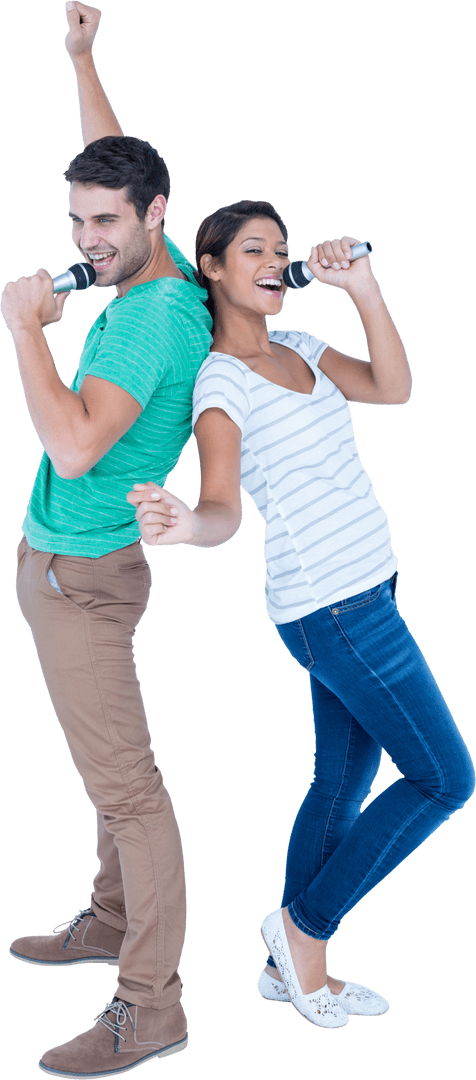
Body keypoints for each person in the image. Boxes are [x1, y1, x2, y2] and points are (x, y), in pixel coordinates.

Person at [128, 200, 475, 1031]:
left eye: (282, 250)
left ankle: (291, 971)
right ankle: (304, 929)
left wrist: (361, 286)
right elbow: (221, 505)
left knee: (342, 781)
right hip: (335, 608)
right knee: (445, 778)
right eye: (254, 249)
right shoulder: (220, 383)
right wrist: (187, 527)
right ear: (211, 267)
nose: (275, 261)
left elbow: (392, 388)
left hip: (368, 590)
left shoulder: (302, 349)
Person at [1, 3, 213, 1075]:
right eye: (78, 217)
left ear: (154, 216)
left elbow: (77, 447)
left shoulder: (146, 320)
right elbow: (112, 160)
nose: (86, 241)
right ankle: (105, 919)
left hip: (83, 576)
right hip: (65, 568)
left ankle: (153, 1005)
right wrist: (84, 58)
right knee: (104, 771)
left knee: (130, 790)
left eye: (105, 224)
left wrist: (28, 336)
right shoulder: (150, 261)